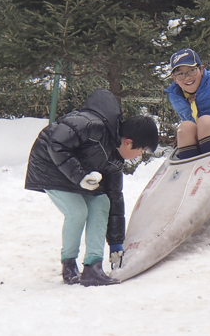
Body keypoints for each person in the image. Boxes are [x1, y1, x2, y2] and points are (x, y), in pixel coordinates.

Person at [25, 88, 159, 286]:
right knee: (78, 211)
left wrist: (115, 243)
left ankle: (93, 267)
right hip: (49, 166)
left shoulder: (115, 161)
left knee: (101, 202)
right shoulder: (92, 126)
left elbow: (115, 198)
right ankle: (68, 263)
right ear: (129, 143)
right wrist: (80, 176)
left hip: (79, 175)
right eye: (141, 151)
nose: (139, 157)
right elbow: (57, 144)